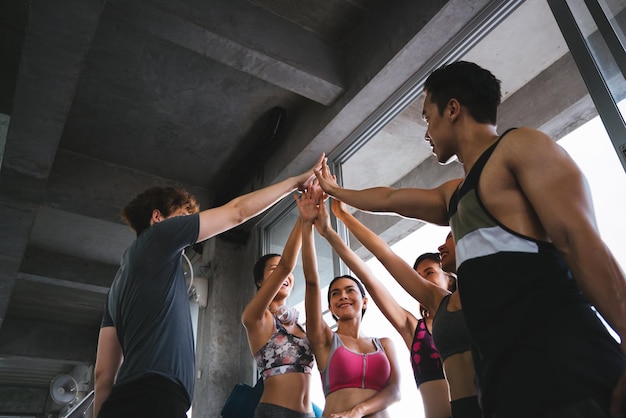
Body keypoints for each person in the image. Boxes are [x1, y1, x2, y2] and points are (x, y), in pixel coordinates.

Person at [315, 59, 626, 418]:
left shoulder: (519, 146)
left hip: (565, 363)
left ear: (452, 109)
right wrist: (334, 190)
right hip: (502, 383)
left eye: (427, 117)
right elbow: (389, 199)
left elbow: (579, 242)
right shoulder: (454, 195)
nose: (426, 131)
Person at [93, 154, 325, 418]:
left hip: (123, 403)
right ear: (158, 218)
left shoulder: (118, 285)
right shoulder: (159, 237)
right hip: (156, 398)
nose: (188, 233)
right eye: (183, 218)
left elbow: (102, 375)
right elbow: (237, 212)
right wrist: (296, 182)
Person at [332, 199, 479, 417]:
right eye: (418, 275)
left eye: (429, 272)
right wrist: (336, 224)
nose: (422, 280)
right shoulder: (413, 328)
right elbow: (374, 272)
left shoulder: (482, 301)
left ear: (449, 279)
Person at [297, 186, 401, 417]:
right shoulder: (325, 339)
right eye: (335, 293)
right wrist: (307, 226)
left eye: (349, 290)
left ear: (364, 301)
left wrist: (357, 411)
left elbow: (395, 391)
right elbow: (312, 282)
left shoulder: (385, 343)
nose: (342, 295)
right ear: (330, 307)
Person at [241, 217, 315, 418]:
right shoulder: (256, 318)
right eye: (275, 270)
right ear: (260, 281)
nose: (286, 275)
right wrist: (303, 218)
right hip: (275, 413)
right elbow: (285, 266)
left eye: (290, 274)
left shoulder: (300, 325)